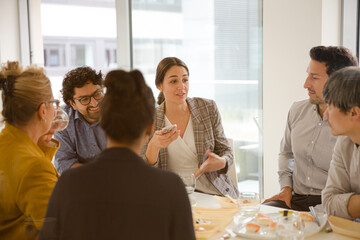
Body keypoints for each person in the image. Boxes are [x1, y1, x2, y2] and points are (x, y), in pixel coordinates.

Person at [39, 70, 195, 240]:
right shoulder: (171, 187)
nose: (93, 102)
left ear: (103, 121)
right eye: (84, 99)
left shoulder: (68, 183)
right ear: (150, 127)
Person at [263, 46, 358, 211]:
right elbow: (286, 154)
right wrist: (286, 188)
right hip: (297, 198)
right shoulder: (297, 111)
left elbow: (333, 200)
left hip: (330, 206)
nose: (306, 84)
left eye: (314, 77)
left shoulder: (347, 133)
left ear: (337, 82)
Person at [141, 57, 238, 198]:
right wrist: (153, 146)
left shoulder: (207, 108)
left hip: (212, 192)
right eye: (173, 81)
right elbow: (143, 171)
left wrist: (221, 162)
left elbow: (226, 150)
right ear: (159, 85)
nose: (182, 86)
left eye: (185, 80)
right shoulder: (149, 120)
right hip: (171, 194)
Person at [0, 61, 60, 239]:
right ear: (43, 111)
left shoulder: (8, 143)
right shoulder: (34, 166)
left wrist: (40, 149)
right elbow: (59, 230)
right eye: (54, 103)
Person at [322, 67, 360, 220]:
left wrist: (350, 203)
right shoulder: (345, 141)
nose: (325, 114)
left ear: (354, 113)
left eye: (330, 106)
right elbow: (329, 202)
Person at [54, 66, 106, 174]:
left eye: (97, 94)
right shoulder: (63, 119)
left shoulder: (119, 111)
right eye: (85, 99)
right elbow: (64, 164)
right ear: (73, 103)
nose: (94, 103)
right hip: (81, 185)